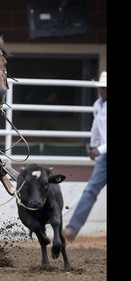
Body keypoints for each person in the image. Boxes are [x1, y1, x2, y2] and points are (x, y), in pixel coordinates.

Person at [63, 71, 107, 242]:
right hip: (104, 156)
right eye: (101, 88)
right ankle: (72, 229)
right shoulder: (98, 105)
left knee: (91, 190)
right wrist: (93, 145)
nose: (103, 91)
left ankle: (73, 228)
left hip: (103, 153)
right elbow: (96, 126)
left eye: (105, 88)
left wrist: (99, 150)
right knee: (90, 190)